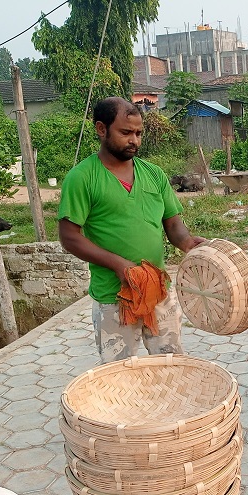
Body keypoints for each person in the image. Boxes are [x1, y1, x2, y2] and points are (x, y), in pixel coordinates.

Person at [58, 97, 206, 363]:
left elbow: (173, 225)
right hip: (114, 298)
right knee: (120, 376)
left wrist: (187, 243)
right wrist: (119, 265)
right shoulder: (82, 178)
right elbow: (69, 237)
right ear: (101, 129)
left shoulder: (154, 174)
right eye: (125, 132)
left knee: (172, 366)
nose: (134, 140)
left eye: (138, 133)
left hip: (159, 291)